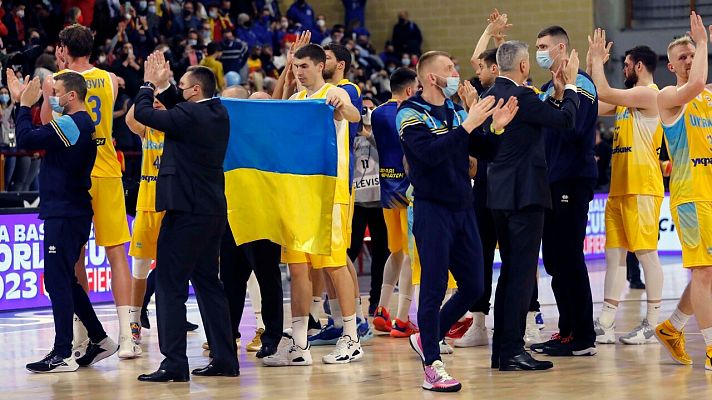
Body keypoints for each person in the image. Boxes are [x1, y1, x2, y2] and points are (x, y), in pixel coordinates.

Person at [399, 50, 517, 392]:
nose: (456, 73)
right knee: (434, 286)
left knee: (474, 286)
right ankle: (432, 366)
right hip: (432, 210)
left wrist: (494, 129)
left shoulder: (452, 110)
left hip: (462, 208)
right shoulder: (409, 113)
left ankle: (428, 336)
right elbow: (429, 155)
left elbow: (484, 151)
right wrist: (468, 123)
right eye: (450, 69)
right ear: (431, 77)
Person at [134, 54, 239, 381]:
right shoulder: (217, 112)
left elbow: (143, 113)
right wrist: (166, 86)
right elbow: (179, 110)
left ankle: (174, 362)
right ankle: (225, 359)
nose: (178, 92)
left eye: (182, 87)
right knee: (208, 284)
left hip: (185, 212)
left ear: (194, 90)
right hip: (212, 212)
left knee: (169, 283)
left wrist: (148, 84)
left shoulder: (190, 115)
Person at [40, 24, 137, 360]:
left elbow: (46, 125)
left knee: (73, 259)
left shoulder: (57, 81)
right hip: (108, 169)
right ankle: (127, 337)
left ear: (64, 48)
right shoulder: (110, 79)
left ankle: (81, 338)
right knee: (116, 255)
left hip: (74, 174)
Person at [12, 73, 118, 372]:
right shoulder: (76, 124)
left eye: (56, 92)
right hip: (70, 210)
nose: (52, 96)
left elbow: (26, 139)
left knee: (57, 280)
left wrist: (23, 104)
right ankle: (99, 339)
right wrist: (25, 98)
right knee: (64, 279)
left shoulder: (75, 123)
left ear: (71, 96)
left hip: (66, 212)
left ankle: (63, 353)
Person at [484, 40, 580, 372]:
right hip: (525, 197)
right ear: (524, 66)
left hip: (498, 197)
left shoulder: (489, 95)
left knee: (509, 273)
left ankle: (502, 350)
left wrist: (554, 95)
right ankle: (511, 351)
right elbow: (566, 120)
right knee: (521, 276)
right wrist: (569, 86)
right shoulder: (522, 96)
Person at [266, 44, 362, 366]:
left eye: (303, 66)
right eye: (295, 66)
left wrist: (342, 106)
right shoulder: (296, 100)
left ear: (320, 66)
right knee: (297, 269)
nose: (298, 71)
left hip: (328, 193)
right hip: (298, 195)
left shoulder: (336, 93)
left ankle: (351, 336)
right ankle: (299, 344)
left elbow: (354, 116)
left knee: (333, 264)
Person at [587, 31, 665, 346]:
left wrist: (595, 61)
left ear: (640, 66)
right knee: (614, 255)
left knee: (646, 254)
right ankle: (605, 321)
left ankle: (652, 323)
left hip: (643, 185)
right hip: (620, 188)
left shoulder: (650, 94)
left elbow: (604, 89)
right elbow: (594, 102)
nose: (624, 68)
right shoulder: (625, 102)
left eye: (627, 64)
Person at [526, 25, 599, 356]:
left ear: (561, 49)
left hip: (573, 180)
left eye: (544, 46)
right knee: (554, 259)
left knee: (569, 256)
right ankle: (567, 329)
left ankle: (584, 336)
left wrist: (562, 95)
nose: (539, 51)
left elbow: (573, 130)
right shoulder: (544, 88)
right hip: (549, 182)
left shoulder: (581, 85)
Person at [655, 12, 712, 372]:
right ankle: (710, 349)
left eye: (693, 53)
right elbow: (695, 86)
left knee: (707, 272)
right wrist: (704, 42)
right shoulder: (669, 95)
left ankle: (672, 326)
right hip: (690, 195)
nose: (689, 61)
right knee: (704, 272)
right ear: (672, 65)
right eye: (683, 57)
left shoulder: (708, 97)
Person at [307, 42, 371, 347]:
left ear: (340, 64)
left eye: (327, 59)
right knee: (330, 254)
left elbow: (353, 113)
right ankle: (337, 320)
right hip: (320, 181)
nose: (322, 64)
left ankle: (355, 319)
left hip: (340, 181)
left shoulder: (347, 88)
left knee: (338, 254)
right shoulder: (315, 94)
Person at [370, 67, 419, 338]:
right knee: (411, 255)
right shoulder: (408, 112)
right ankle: (402, 319)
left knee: (396, 252)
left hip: (387, 189)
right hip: (409, 189)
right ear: (410, 89)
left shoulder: (377, 113)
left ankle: (381, 308)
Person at [347, 95, 389, 317]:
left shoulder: (381, 131)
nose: (366, 113)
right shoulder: (348, 130)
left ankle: (376, 302)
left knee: (381, 254)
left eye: (371, 109)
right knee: (349, 251)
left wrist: (371, 133)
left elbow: (390, 152)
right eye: (363, 110)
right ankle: (339, 298)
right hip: (357, 201)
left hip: (380, 200)